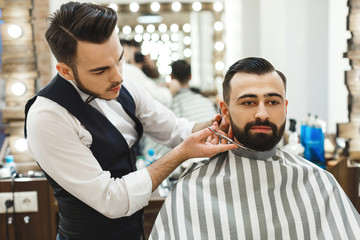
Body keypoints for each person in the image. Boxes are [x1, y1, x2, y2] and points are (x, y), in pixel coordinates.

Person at [23, 2, 236, 240]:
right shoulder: (47, 117)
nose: (118, 76)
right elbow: (112, 200)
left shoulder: (125, 86)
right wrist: (180, 154)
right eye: (100, 70)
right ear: (66, 71)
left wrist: (227, 120)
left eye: (119, 59)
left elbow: (178, 130)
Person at [149, 57, 360, 240]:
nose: (262, 113)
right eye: (249, 102)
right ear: (225, 111)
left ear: (285, 108)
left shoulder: (318, 182)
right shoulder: (192, 188)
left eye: (273, 102)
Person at [141, 60, 218, 160]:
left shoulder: (162, 105)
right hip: (206, 158)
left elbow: (151, 148)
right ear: (190, 76)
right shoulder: (205, 102)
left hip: (172, 164)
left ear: (171, 76)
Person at [121, 39, 179, 107]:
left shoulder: (130, 70)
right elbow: (160, 100)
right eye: (136, 53)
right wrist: (173, 89)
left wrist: (150, 69)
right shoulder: (128, 69)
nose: (138, 57)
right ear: (125, 50)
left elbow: (154, 86)